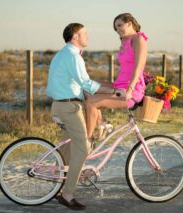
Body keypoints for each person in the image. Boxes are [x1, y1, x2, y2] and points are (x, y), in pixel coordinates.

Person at [46, 23, 112, 210]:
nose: (87, 36)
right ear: (75, 36)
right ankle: (67, 195)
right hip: (68, 108)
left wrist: (97, 110)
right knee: (82, 149)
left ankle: (56, 188)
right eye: (84, 33)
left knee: (68, 148)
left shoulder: (64, 53)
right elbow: (87, 84)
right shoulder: (73, 56)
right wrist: (113, 91)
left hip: (62, 105)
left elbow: (83, 88)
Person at [85, 13, 148, 140]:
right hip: (119, 86)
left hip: (131, 91)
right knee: (87, 88)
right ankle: (102, 123)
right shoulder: (125, 41)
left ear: (129, 23)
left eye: (120, 25)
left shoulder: (138, 40)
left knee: (92, 102)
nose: (118, 30)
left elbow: (138, 67)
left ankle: (86, 140)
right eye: (116, 28)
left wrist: (130, 89)